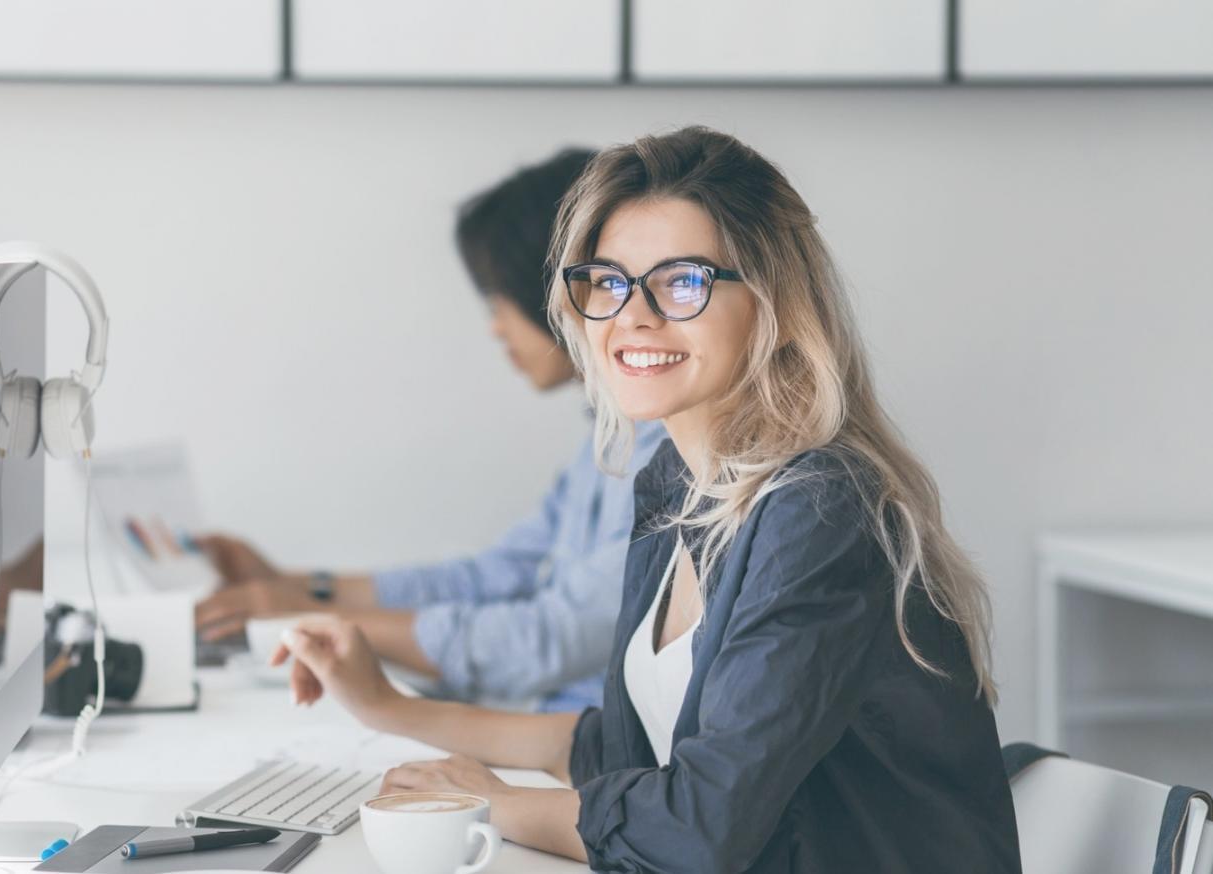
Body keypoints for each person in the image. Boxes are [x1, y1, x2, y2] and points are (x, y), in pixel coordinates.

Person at [267, 127, 1022, 872]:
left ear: (777, 305)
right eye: (607, 281)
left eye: (682, 281)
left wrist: (489, 804)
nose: (631, 314)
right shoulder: (677, 485)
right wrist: (387, 707)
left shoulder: (819, 508)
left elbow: (698, 830)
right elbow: (622, 750)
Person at [195, 148, 668, 712]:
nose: (495, 327)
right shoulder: (607, 442)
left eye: (499, 300)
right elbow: (499, 574)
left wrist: (313, 618)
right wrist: (301, 589)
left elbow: (549, 639)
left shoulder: (670, 457)